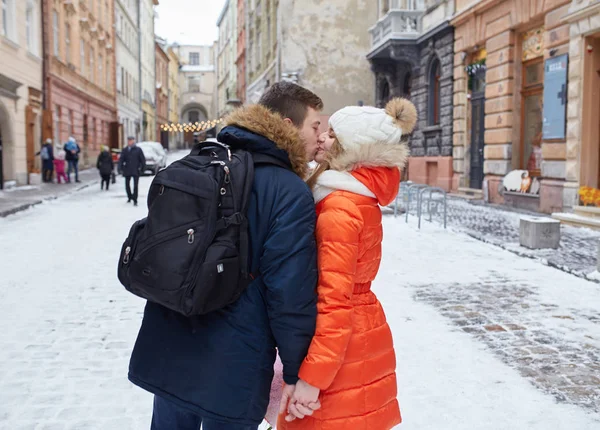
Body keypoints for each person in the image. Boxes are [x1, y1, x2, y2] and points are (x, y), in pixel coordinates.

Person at [128, 82, 324, 430]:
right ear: (289, 126)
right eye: (315, 126)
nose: (320, 136)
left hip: (172, 340)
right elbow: (289, 292)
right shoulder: (288, 190)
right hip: (235, 358)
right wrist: (296, 371)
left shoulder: (202, 160)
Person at [277, 98, 418, 430]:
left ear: (350, 147)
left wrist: (312, 381)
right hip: (360, 335)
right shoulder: (356, 197)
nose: (322, 138)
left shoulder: (340, 208)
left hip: (341, 349)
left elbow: (334, 300)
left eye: (331, 134)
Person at [118, 137, 146, 206]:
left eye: (131, 140)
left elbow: (142, 160)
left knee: (135, 185)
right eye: (129, 141)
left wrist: (142, 169)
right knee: (127, 185)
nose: (129, 142)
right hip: (127, 170)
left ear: (133, 141)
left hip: (136, 170)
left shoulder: (138, 150)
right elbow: (121, 160)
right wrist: (120, 168)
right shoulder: (125, 150)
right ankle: (129, 196)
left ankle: (135, 199)